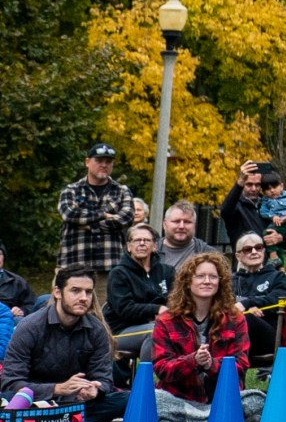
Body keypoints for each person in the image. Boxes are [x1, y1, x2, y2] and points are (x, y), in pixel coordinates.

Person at [150, 252, 267, 422]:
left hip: (222, 397)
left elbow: (241, 367)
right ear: (188, 282)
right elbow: (162, 368)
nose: (207, 281)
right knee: (155, 400)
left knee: (258, 399)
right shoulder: (166, 320)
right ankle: (224, 419)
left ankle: (201, 419)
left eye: (213, 276)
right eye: (200, 276)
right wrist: (193, 361)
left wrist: (211, 364)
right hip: (180, 399)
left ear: (220, 283)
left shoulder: (236, 318)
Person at [1, 266, 125, 422]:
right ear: (57, 292)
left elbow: (104, 377)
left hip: (77, 403)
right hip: (36, 403)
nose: (83, 298)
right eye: (75, 290)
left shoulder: (96, 329)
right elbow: (11, 382)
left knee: (127, 400)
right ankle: (65, 420)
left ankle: (65, 419)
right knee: (9, 398)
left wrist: (95, 390)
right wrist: (58, 388)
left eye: (88, 292)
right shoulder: (30, 327)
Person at [57, 143, 137, 318]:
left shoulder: (122, 191)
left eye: (108, 161)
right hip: (72, 265)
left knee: (104, 318)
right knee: (64, 315)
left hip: (109, 268)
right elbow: (69, 214)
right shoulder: (71, 190)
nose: (104, 165)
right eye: (99, 160)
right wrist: (106, 215)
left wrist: (87, 222)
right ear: (87, 162)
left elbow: (126, 219)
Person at [106, 224, 171, 371]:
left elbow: (176, 299)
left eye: (146, 240)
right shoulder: (118, 274)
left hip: (161, 324)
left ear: (155, 246)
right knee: (154, 331)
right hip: (119, 332)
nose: (142, 243)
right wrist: (157, 309)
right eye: (137, 240)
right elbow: (124, 309)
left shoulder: (167, 272)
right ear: (129, 246)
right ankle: (144, 386)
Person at [230, 232, 286, 368]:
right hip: (234, 335)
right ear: (238, 256)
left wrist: (247, 304)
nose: (254, 252)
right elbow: (223, 304)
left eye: (258, 247)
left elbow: (279, 299)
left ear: (263, 251)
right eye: (248, 249)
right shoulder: (231, 281)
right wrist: (248, 309)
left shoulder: (277, 277)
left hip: (267, 337)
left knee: (246, 318)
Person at [221, 161, 286, 257]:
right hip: (245, 266)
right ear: (242, 184)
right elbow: (225, 210)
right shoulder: (236, 206)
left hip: (271, 266)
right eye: (249, 184)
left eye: (257, 185)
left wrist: (280, 238)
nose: (254, 189)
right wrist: (240, 182)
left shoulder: (269, 205)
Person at [156, 201, 222, 274]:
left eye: (187, 222)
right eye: (176, 221)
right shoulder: (150, 252)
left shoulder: (210, 254)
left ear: (194, 225)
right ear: (165, 224)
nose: (181, 226)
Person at [258, 165, 286, 258]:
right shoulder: (265, 200)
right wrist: (272, 216)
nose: (272, 190)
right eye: (268, 189)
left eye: (274, 187)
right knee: (273, 239)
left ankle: (273, 256)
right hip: (276, 224)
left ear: (281, 186)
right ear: (263, 191)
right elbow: (263, 212)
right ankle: (279, 265)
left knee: (267, 234)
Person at [0, 240, 35, 320]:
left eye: (0, 254)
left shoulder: (16, 281)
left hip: (9, 322)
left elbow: (32, 304)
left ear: (4, 257)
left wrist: (22, 311)